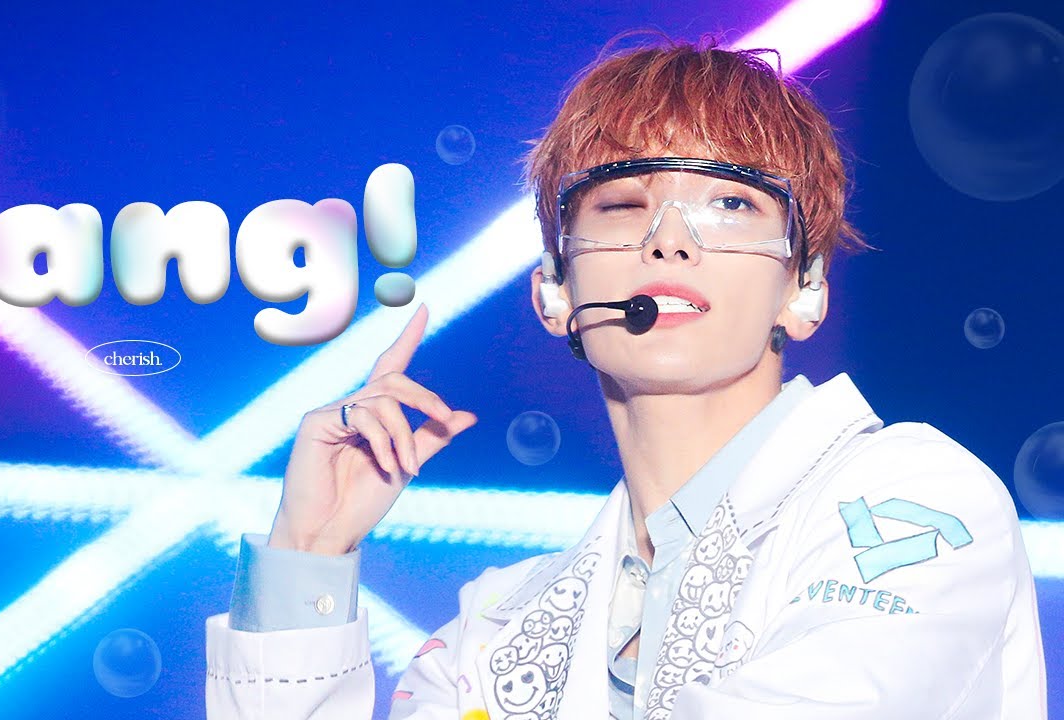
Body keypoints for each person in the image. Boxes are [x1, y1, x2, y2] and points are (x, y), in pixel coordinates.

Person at [204, 33, 1048, 719]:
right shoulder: (494, 626)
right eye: (621, 204)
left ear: (806, 288)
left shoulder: (914, 501)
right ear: (554, 290)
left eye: (731, 203)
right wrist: (309, 556)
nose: (669, 240)